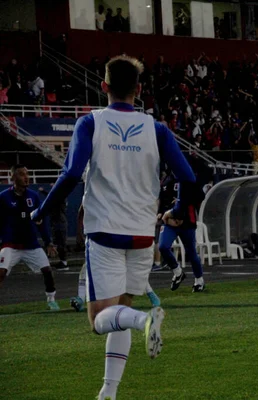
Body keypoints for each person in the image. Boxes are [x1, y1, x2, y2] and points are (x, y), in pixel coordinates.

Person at [31, 55, 197, 400]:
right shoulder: (157, 129)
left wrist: (43, 212)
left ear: (104, 87)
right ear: (139, 90)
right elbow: (188, 177)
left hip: (105, 230)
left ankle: (144, 321)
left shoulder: (90, 123)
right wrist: (178, 209)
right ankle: (108, 392)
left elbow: (72, 174)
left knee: (99, 319)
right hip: (141, 234)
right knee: (118, 311)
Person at [0, 165, 59, 310]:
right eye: (21, 174)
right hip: (10, 244)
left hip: (31, 244)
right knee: (1, 272)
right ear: (13, 178)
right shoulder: (3, 197)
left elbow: (41, 222)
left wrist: (48, 242)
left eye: (27, 174)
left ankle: (51, 300)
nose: (26, 177)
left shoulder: (34, 196)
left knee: (47, 270)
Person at [157, 170, 206, 293]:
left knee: (191, 252)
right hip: (169, 221)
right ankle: (177, 272)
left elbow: (200, 196)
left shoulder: (190, 178)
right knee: (163, 246)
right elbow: (162, 199)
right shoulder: (167, 180)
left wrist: (183, 205)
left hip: (187, 222)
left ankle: (199, 280)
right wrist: (160, 213)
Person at [38, 184, 69, 270]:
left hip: (60, 223)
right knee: (56, 242)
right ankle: (61, 261)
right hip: (56, 223)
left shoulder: (61, 197)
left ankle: (64, 262)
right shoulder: (59, 197)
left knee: (61, 243)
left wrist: (44, 191)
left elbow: (53, 197)